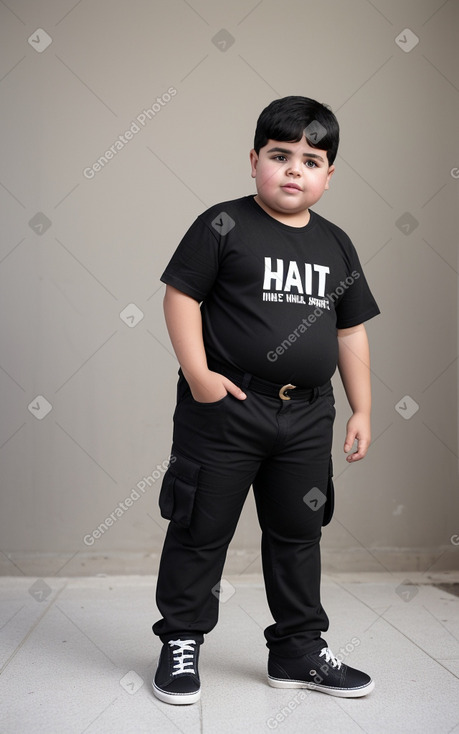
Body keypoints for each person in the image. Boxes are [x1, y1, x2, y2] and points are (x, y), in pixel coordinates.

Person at [152, 96, 380, 705]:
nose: (293, 170)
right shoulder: (223, 223)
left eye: (311, 160)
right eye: (280, 156)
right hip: (225, 407)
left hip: (308, 414)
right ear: (254, 160)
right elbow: (181, 297)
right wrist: (198, 373)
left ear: (328, 175)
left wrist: (361, 407)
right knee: (201, 526)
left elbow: (350, 330)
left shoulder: (337, 245)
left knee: (298, 531)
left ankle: (299, 650)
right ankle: (180, 641)